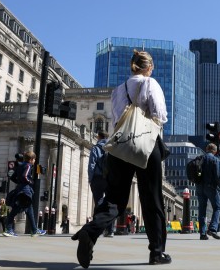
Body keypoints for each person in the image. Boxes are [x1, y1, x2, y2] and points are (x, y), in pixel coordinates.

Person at [73, 50, 170, 268]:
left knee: (114, 198)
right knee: (152, 199)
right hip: (146, 144)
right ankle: (157, 252)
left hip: (120, 145)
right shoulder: (150, 83)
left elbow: (117, 119)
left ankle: (90, 231)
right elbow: (160, 115)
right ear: (149, 67)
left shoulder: (118, 90)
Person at [2, 151, 46, 237]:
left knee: (29, 210)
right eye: (34, 159)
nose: (34, 161)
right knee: (16, 210)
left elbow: (13, 177)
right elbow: (25, 176)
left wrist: (19, 182)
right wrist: (30, 182)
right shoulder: (28, 166)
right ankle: (9, 229)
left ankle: (34, 230)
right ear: (31, 159)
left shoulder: (20, 165)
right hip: (25, 190)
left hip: (19, 189)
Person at [88, 130, 115, 237]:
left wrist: (91, 179)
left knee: (98, 202)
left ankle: (97, 229)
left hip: (97, 178)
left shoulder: (96, 148)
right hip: (109, 179)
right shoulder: (112, 148)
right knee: (110, 203)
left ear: (99, 137)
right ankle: (110, 230)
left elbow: (92, 165)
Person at [198, 142, 220, 241]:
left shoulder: (200, 159)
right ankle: (213, 229)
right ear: (215, 151)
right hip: (210, 187)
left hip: (199, 187)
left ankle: (202, 233)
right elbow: (219, 176)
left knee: (202, 209)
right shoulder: (215, 160)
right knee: (217, 207)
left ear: (206, 149)